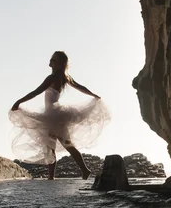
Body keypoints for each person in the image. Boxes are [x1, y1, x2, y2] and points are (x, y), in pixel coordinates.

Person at [9, 51, 109, 180]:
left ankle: (81, 170)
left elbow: (36, 92)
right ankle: (60, 174)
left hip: (53, 116)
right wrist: (93, 94)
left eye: (53, 59)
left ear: (59, 63)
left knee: (60, 145)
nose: (50, 61)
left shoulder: (53, 77)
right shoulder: (64, 76)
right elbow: (80, 87)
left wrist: (19, 101)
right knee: (56, 145)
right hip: (54, 115)